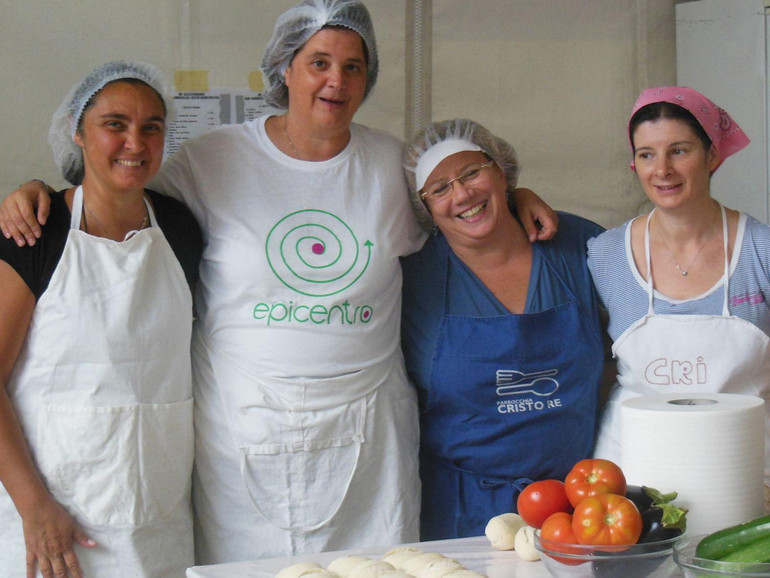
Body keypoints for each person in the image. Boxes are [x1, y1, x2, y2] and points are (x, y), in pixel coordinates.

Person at [0, 0, 557, 562]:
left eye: (353, 67)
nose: (335, 81)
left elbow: (463, 200)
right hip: (242, 427)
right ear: (284, 68)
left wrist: (516, 195)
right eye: (318, 62)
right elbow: (116, 182)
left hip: (370, 435)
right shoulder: (211, 159)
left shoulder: (393, 165)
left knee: (374, 572)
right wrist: (37, 192)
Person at [0, 61, 202, 578]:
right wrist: (34, 507)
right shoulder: (36, 234)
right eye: (115, 124)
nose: (135, 142)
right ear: (77, 131)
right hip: (53, 520)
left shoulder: (179, 229)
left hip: (157, 516)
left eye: (151, 127)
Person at [400, 118, 605, 540]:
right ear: (425, 208)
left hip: (582, 503)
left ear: (501, 171)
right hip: (460, 511)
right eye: (439, 188)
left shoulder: (577, 246)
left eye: (472, 172)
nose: (462, 194)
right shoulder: (412, 280)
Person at [588, 86, 770, 474]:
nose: (662, 170)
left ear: (713, 155)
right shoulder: (605, 255)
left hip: (744, 469)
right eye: (646, 154)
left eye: (679, 150)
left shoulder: (761, 250)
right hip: (633, 470)